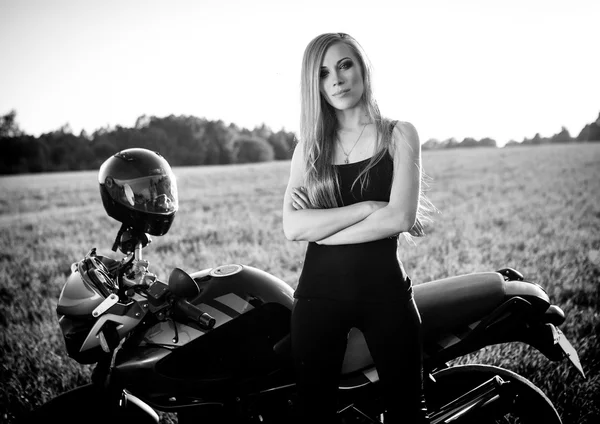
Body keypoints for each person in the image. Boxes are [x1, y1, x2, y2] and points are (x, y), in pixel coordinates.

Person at [282, 32, 434, 423]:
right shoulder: (309, 148)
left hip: (386, 295)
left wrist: (323, 229)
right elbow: (293, 227)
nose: (336, 79)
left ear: (363, 68)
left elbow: (399, 219)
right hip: (318, 299)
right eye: (323, 73)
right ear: (313, 84)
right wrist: (366, 207)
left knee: (407, 415)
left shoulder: (399, 135)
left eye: (345, 64)